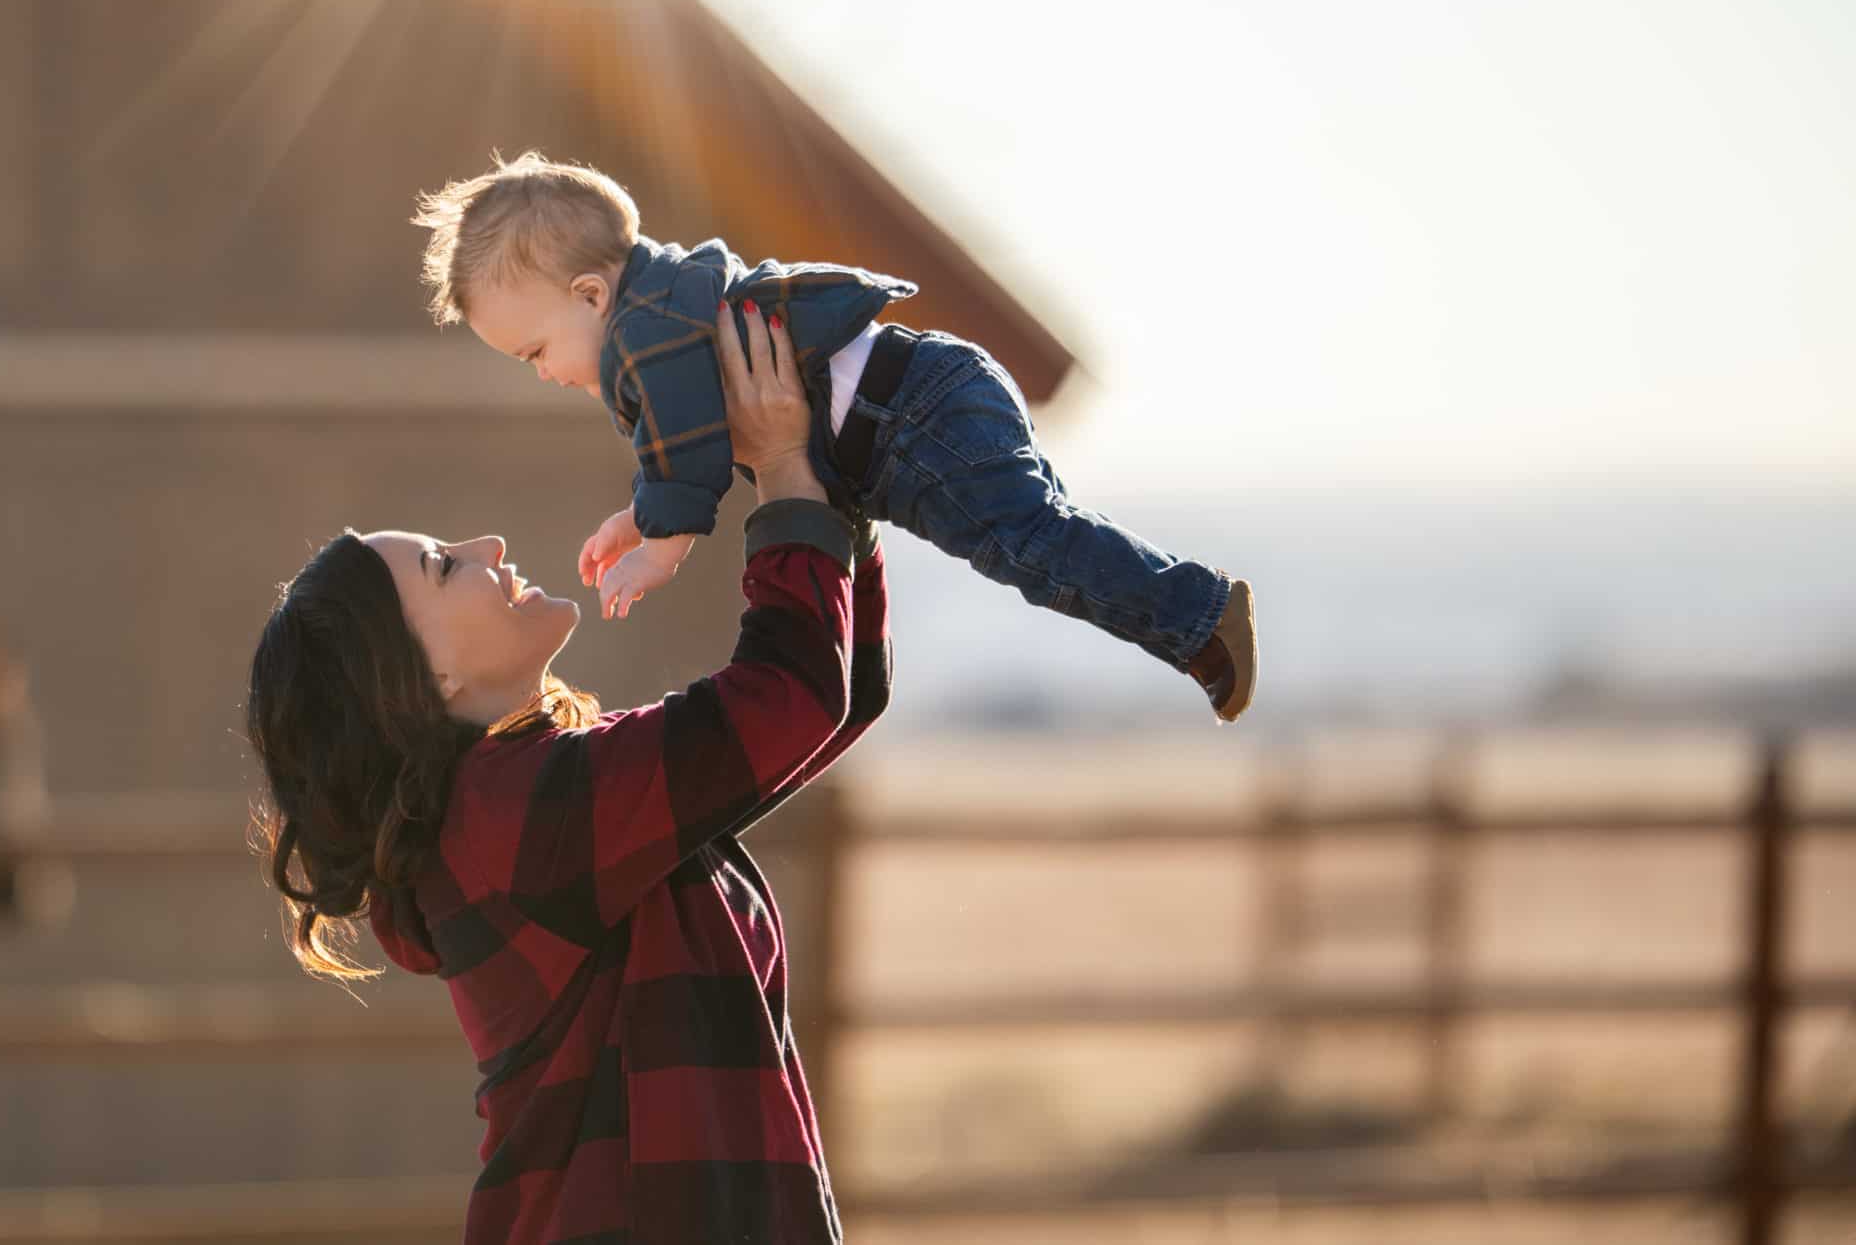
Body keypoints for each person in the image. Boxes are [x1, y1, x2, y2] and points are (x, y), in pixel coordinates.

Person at [246, 304, 886, 1243]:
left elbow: (837, 696)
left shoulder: (539, 798)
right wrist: (785, 469)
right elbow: (790, 697)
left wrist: (827, 496)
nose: (488, 548)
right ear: (427, 680)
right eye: (441, 565)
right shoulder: (518, 819)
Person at [412, 150, 1256, 721]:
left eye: (536, 349)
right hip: (918, 406)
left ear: (592, 296)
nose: (541, 370)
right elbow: (686, 441)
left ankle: (1199, 613)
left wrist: (661, 546)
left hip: (914, 418)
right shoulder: (663, 315)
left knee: (1029, 546)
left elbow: (689, 451)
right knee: (1040, 540)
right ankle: (1191, 622)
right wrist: (640, 515)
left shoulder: (645, 336)